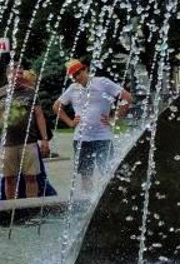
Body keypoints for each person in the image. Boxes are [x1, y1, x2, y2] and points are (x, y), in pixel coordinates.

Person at [54, 59, 131, 190]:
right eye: (74, 76)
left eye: (79, 73)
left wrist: (114, 119)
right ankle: (88, 200)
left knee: (108, 172)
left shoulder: (102, 82)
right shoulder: (73, 89)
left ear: (85, 69)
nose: (77, 77)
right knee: (85, 174)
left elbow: (127, 97)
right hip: (81, 138)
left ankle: (109, 200)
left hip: (103, 136)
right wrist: (70, 122)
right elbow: (56, 106)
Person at [0, 65, 50, 200]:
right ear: (8, 75)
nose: (18, 76)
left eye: (20, 73)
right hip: (7, 143)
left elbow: (39, 116)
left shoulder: (31, 92)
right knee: (9, 179)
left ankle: (31, 208)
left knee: (31, 177)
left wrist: (44, 139)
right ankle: (11, 209)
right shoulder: (0, 93)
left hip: (29, 142)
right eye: (15, 73)